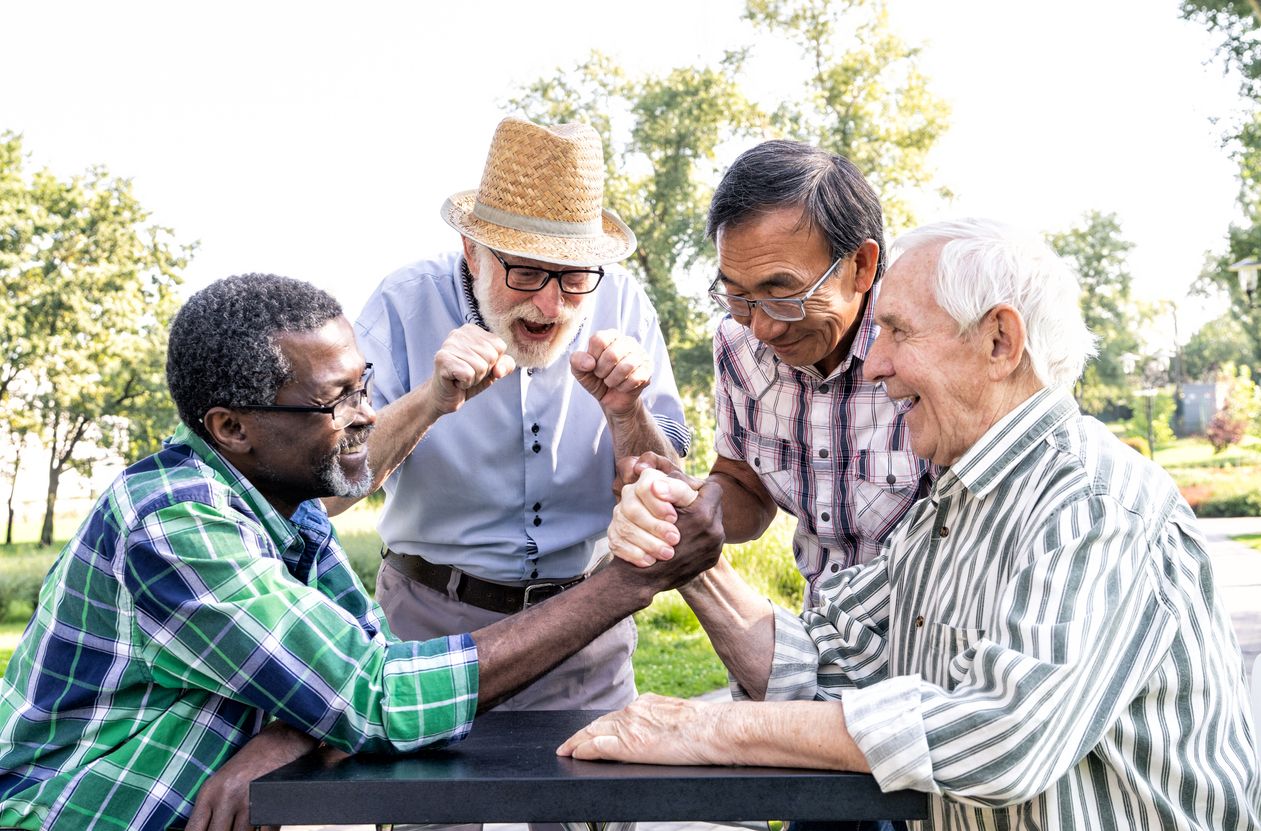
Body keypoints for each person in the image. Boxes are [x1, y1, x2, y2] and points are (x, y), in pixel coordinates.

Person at [568, 219, 1261, 829]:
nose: (874, 365)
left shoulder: (1092, 503)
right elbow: (819, 661)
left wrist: (708, 727)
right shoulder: (952, 506)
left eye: (897, 331)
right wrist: (688, 549)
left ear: (998, 340)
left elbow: (1003, 736)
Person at [0, 274, 722, 831]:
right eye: (335, 400)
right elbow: (378, 696)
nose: (368, 415)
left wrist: (288, 735)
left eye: (364, 385)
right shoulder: (174, 526)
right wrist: (631, 581)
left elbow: (359, 663)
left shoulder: (287, 506)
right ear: (231, 426)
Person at [326, 116, 690, 714]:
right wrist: (430, 402)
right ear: (472, 251)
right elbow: (331, 491)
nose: (550, 305)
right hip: (428, 625)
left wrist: (627, 412)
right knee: (431, 810)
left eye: (573, 277)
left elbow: (672, 491)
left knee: (588, 809)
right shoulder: (403, 303)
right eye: (525, 272)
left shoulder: (622, 302)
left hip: (584, 626)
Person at [613, 140, 931, 608]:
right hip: (823, 632)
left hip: (927, 641)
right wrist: (698, 499)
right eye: (738, 297)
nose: (763, 328)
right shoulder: (738, 346)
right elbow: (746, 486)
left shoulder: (928, 346)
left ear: (860, 266)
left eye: (784, 294)